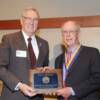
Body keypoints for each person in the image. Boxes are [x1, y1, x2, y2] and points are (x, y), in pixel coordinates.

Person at [0, 7, 49, 100]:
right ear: (21, 21)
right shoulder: (9, 39)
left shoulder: (44, 44)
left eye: (35, 19)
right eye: (28, 18)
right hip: (14, 96)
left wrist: (46, 71)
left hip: (37, 97)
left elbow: (43, 67)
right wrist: (19, 85)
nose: (32, 22)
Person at [55, 21, 100, 100]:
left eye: (71, 31)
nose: (68, 35)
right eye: (65, 32)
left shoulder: (92, 53)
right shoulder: (58, 59)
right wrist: (48, 73)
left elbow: (97, 78)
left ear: (78, 34)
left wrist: (73, 90)